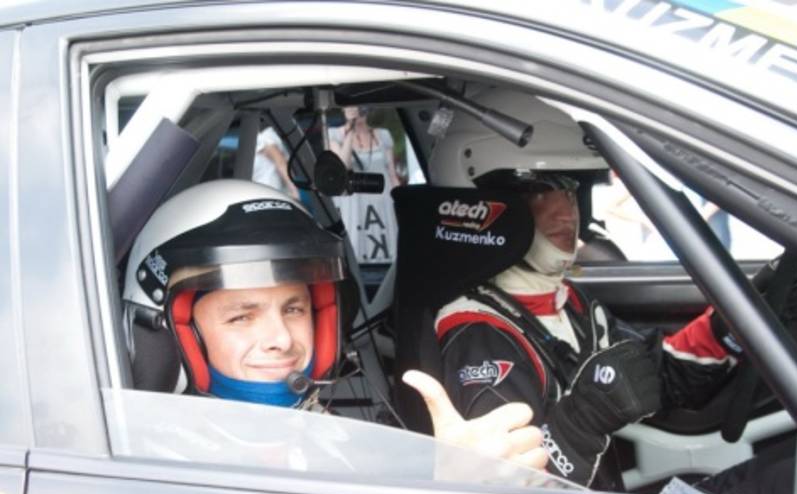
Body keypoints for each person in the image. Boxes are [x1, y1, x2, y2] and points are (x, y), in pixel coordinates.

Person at [427, 88, 797, 494]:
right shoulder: (478, 331)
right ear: (482, 202)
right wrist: (580, 421)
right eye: (541, 191)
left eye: (573, 190)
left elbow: (656, 378)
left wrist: (733, 324)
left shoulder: (573, 306)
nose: (567, 211)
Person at [121, 179, 547, 472]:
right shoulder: (152, 477)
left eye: (294, 309)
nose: (281, 339)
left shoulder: (329, 444)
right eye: (241, 317)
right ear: (168, 336)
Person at [329, 107, 400, 264]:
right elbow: (343, 166)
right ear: (344, 109)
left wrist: (400, 201)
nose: (357, 111)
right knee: (356, 242)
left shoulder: (383, 135)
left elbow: (392, 173)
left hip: (382, 201)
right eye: (352, 106)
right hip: (354, 202)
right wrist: (350, 129)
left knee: (386, 243)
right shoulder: (334, 135)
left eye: (360, 107)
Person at [252, 125, 300, 201]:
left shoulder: (263, 136)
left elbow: (280, 162)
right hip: (264, 195)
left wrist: (295, 192)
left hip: (272, 194)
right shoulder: (253, 137)